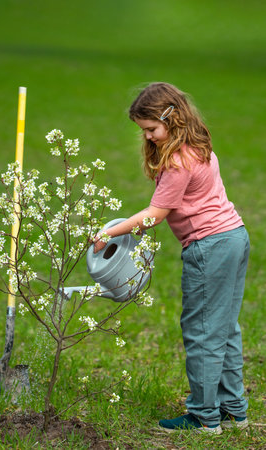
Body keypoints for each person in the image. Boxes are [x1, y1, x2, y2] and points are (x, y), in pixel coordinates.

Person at [93, 82, 249, 434]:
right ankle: (233, 410)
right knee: (224, 328)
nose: (147, 137)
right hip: (235, 237)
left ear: (172, 118)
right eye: (143, 131)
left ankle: (204, 417)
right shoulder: (200, 146)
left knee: (202, 332)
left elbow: (154, 215)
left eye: (151, 129)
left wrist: (108, 233)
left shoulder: (177, 161)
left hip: (210, 246)